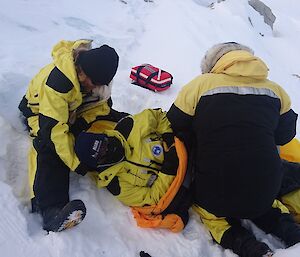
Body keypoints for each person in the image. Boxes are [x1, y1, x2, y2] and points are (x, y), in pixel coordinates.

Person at [166, 42, 300, 256]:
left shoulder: (200, 85)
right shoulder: (276, 91)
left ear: (215, 64)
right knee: (266, 204)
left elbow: (174, 124)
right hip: (265, 188)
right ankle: (294, 235)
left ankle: (249, 247)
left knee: (212, 214)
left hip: (215, 191)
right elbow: (285, 136)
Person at [18, 39, 126, 232]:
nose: (95, 87)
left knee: (112, 120)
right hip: (40, 114)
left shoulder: (94, 76)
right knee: (50, 147)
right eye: (94, 83)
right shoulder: (58, 83)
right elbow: (54, 131)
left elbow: (100, 106)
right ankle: (51, 208)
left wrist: (84, 124)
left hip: (72, 111)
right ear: (81, 71)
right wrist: (76, 163)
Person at [74, 108, 193, 232]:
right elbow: (151, 198)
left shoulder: (127, 128)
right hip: (181, 184)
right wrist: (168, 170)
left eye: (105, 143)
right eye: (102, 154)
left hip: (184, 147)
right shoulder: (115, 184)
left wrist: (168, 137)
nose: (108, 149)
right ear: (97, 164)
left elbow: (157, 116)